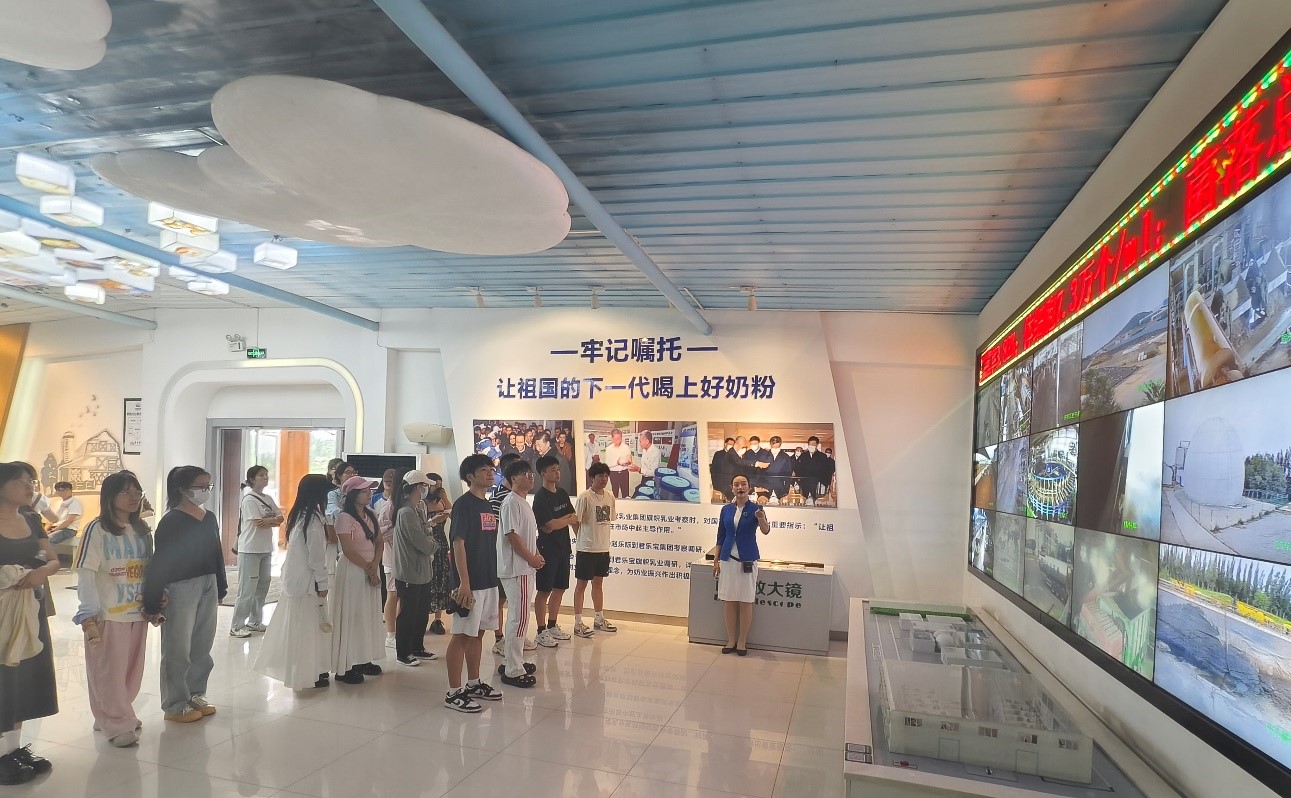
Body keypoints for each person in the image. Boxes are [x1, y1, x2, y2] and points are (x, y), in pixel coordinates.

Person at [73, 471, 154, 747]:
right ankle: (117, 721)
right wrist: (88, 611)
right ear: (110, 496)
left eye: (137, 492)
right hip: (108, 613)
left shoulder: (142, 530)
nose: (133, 497)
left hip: (137, 611)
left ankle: (114, 714)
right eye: (126, 492)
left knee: (131, 670)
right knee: (108, 670)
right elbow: (86, 571)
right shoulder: (97, 529)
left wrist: (155, 600)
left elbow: (149, 569)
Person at [141, 466, 226, 723]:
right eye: (200, 486)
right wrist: (153, 599)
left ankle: (196, 693)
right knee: (177, 647)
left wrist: (221, 586)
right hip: (181, 586)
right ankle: (175, 703)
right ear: (183, 489)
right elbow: (161, 561)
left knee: (202, 644)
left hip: (208, 582)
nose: (205, 491)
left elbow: (216, 553)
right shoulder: (171, 521)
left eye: (208, 486)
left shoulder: (209, 517)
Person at [0, 462, 59, 783]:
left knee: (24, 678)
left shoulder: (32, 519)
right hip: (2, 611)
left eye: (31, 482)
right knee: (3, 678)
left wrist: (41, 572)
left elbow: (52, 559)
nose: (29, 488)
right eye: (22, 481)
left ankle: (12, 749)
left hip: (28, 609)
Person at [254, 474, 333, 691]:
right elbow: (316, 558)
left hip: (296, 581)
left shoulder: (300, 516)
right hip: (307, 583)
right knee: (308, 630)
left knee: (302, 629)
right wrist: (323, 583)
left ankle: (309, 670)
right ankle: (308, 673)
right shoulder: (312, 521)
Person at [443, 454, 504, 713]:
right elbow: (458, 544)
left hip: (488, 579)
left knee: (478, 633)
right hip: (470, 582)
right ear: (470, 476)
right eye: (483, 470)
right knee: (461, 635)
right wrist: (464, 583)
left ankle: (474, 682)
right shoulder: (463, 505)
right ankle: (453, 691)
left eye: (491, 469)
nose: (490, 473)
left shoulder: (487, 504)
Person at [329, 475, 385, 684]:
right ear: (352, 495)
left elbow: (379, 542)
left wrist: (374, 565)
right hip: (353, 570)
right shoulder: (344, 517)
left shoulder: (371, 514)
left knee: (367, 614)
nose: (369, 494)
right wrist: (370, 570)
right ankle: (346, 665)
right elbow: (348, 550)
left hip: (371, 568)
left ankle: (363, 658)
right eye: (364, 491)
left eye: (369, 490)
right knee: (352, 615)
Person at [497, 460, 543, 687]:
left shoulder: (523, 502)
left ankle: (512, 661)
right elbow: (512, 536)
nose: (531, 476)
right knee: (519, 618)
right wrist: (531, 558)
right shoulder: (510, 503)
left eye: (531, 473)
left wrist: (536, 554)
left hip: (524, 567)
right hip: (517, 568)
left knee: (519, 617)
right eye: (525, 473)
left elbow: (527, 536)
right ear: (514, 478)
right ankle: (513, 669)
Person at [714, 474, 770, 656]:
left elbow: (766, 530)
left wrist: (761, 518)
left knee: (746, 601)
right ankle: (731, 639)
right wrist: (716, 560)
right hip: (727, 560)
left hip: (747, 560)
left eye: (743, 484)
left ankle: (742, 641)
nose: (740, 487)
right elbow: (721, 536)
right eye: (736, 484)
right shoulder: (726, 510)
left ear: (749, 487)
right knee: (729, 601)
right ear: (732, 488)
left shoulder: (756, 508)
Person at [391, 470, 440, 668]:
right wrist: (433, 543)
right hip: (409, 571)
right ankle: (403, 652)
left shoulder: (416, 509)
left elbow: (426, 531)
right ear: (418, 487)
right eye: (425, 486)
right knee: (408, 614)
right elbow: (423, 542)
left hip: (422, 570)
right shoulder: (406, 512)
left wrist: (429, 536)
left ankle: (417, 647)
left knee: (421, 612)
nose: (427, 489)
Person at [230, 466, 283, 638]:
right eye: (261, 475)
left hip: (266, 548)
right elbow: (258, 523)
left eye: (266, 475)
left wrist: (272, 520)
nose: (265, 478)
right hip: (250, 549)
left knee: (262, 586)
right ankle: (237, 625)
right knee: (247, 589)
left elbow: (281, 517)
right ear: (252, 479)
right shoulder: (249, 499)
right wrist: (273, 520)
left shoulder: (268, 498)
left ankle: (255, 621)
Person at [532, 455, 576, 648]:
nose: (557, 473)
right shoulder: (541, 497)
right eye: (553, 470)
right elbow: (549, 525)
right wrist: (566, 520)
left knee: (560, 588)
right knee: (544, 590)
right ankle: (540, 630)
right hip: (546, 549)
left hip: (563, 546)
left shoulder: (562, 493)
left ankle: (552, 625)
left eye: (558, 469)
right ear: (543, 473)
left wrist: (562, 521)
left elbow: (573, 517)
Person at [572, 462, 616, 638]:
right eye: (600, 476)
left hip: (603, 548)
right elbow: (575, 521)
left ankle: (599, 618)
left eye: (606, 475)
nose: (604, 479)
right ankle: (578, 622)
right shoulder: (585, 497)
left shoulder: (610, 496)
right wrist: (582, 538)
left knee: (598, 584)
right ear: (592, 478)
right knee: (581, 585)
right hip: (586, 549)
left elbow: (610, 518)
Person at [423, 475, 453, 636]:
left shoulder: (441, 502)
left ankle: (437, 619)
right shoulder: (422, 503)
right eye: (435, 485)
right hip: (427, 542)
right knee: (429, 579)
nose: (437, 489)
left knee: (441, 578)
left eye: (440, 485)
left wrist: (445, 499)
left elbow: (453, 515)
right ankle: (422, 616)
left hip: (441, 542)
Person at [46, 481, 82, 546]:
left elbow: (69, 521)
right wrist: (45, 530)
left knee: (49, 539)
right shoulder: (58, 502)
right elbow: (51, 519)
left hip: (69, 529)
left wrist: (53, 531)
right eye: (60, 490)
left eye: (67, 489)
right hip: (55, 528)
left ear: (71, 490)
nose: (65, 492)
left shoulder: (75, 503)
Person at [603, 428, 633, 499]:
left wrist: (628, 462)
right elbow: (608, 464)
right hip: (613, 474)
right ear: (612, 438)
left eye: (619, 439)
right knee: (615, 493)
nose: (618, 441)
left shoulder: (626, 447)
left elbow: (629, 460)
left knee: (625, 494)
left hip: (624, 473)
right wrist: (618, 462)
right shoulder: (609, 449)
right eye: (616, 439)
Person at [797, 436, 827, 503]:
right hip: (805, 481)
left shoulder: (822, 456)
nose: (811, 446)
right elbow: (798, 468)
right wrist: (799, 480)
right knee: (805, 498)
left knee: (815, 499)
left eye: (813, 444)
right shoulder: (803, 455)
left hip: (817, 482)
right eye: (810, 444)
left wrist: (823, 482)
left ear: (817, 445)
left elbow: (825, 470)